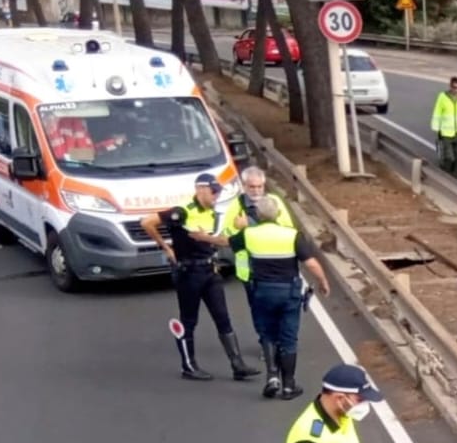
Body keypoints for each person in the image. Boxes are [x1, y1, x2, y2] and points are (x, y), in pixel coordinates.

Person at [199, 196, 331, 399]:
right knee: (288, 339)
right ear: (277, 214)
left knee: (268, 335)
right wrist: (323, 282)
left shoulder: (250, 234)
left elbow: (225, 241)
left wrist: (203, 237)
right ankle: (289, 385)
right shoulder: (292, 235)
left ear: (259, 215)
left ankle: (272, 377)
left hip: (262, 291)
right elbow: (311, 264)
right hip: (288, 292)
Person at [140, 173, 259, 382]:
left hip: (210, 270)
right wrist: (166, 247)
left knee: (223, 317)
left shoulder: (213, 213)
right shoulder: (182, 211)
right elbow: (147, 222)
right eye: (213, 191)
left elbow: (217, 239)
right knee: (189, 320)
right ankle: (189, 365)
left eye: (218, 191)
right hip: (189, 273)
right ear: (201, 190)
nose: (216, 195)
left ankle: (237, 364)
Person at [228, 165, 295, 318]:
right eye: (252, 187)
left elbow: (288, 228)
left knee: (281, 307)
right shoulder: (236, 206)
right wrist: (238, 229)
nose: (256, 190)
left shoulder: (274, 201)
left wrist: (253, 227)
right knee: (258, 309)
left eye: (260, 186)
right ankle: (266, 339)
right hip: (251, 269)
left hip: (277, 264)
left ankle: (278, 338)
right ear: (244, 186)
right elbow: (227, 236)